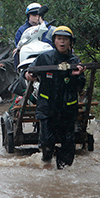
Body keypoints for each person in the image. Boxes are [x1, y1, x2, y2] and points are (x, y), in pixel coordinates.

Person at [25, 26, 85, 169]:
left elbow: (80, 87)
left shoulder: (75, 61)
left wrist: (76, 77)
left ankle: (63, 175)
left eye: (65, 39)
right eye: (59, 39)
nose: (62, 42)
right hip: (47, 107)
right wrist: (28, 75)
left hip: (67, 109)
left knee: (68, 145)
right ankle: (46, 165)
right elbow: (29, 72)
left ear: (70, 42)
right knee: (46, 142)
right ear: (54, 41)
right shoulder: (44, 58)